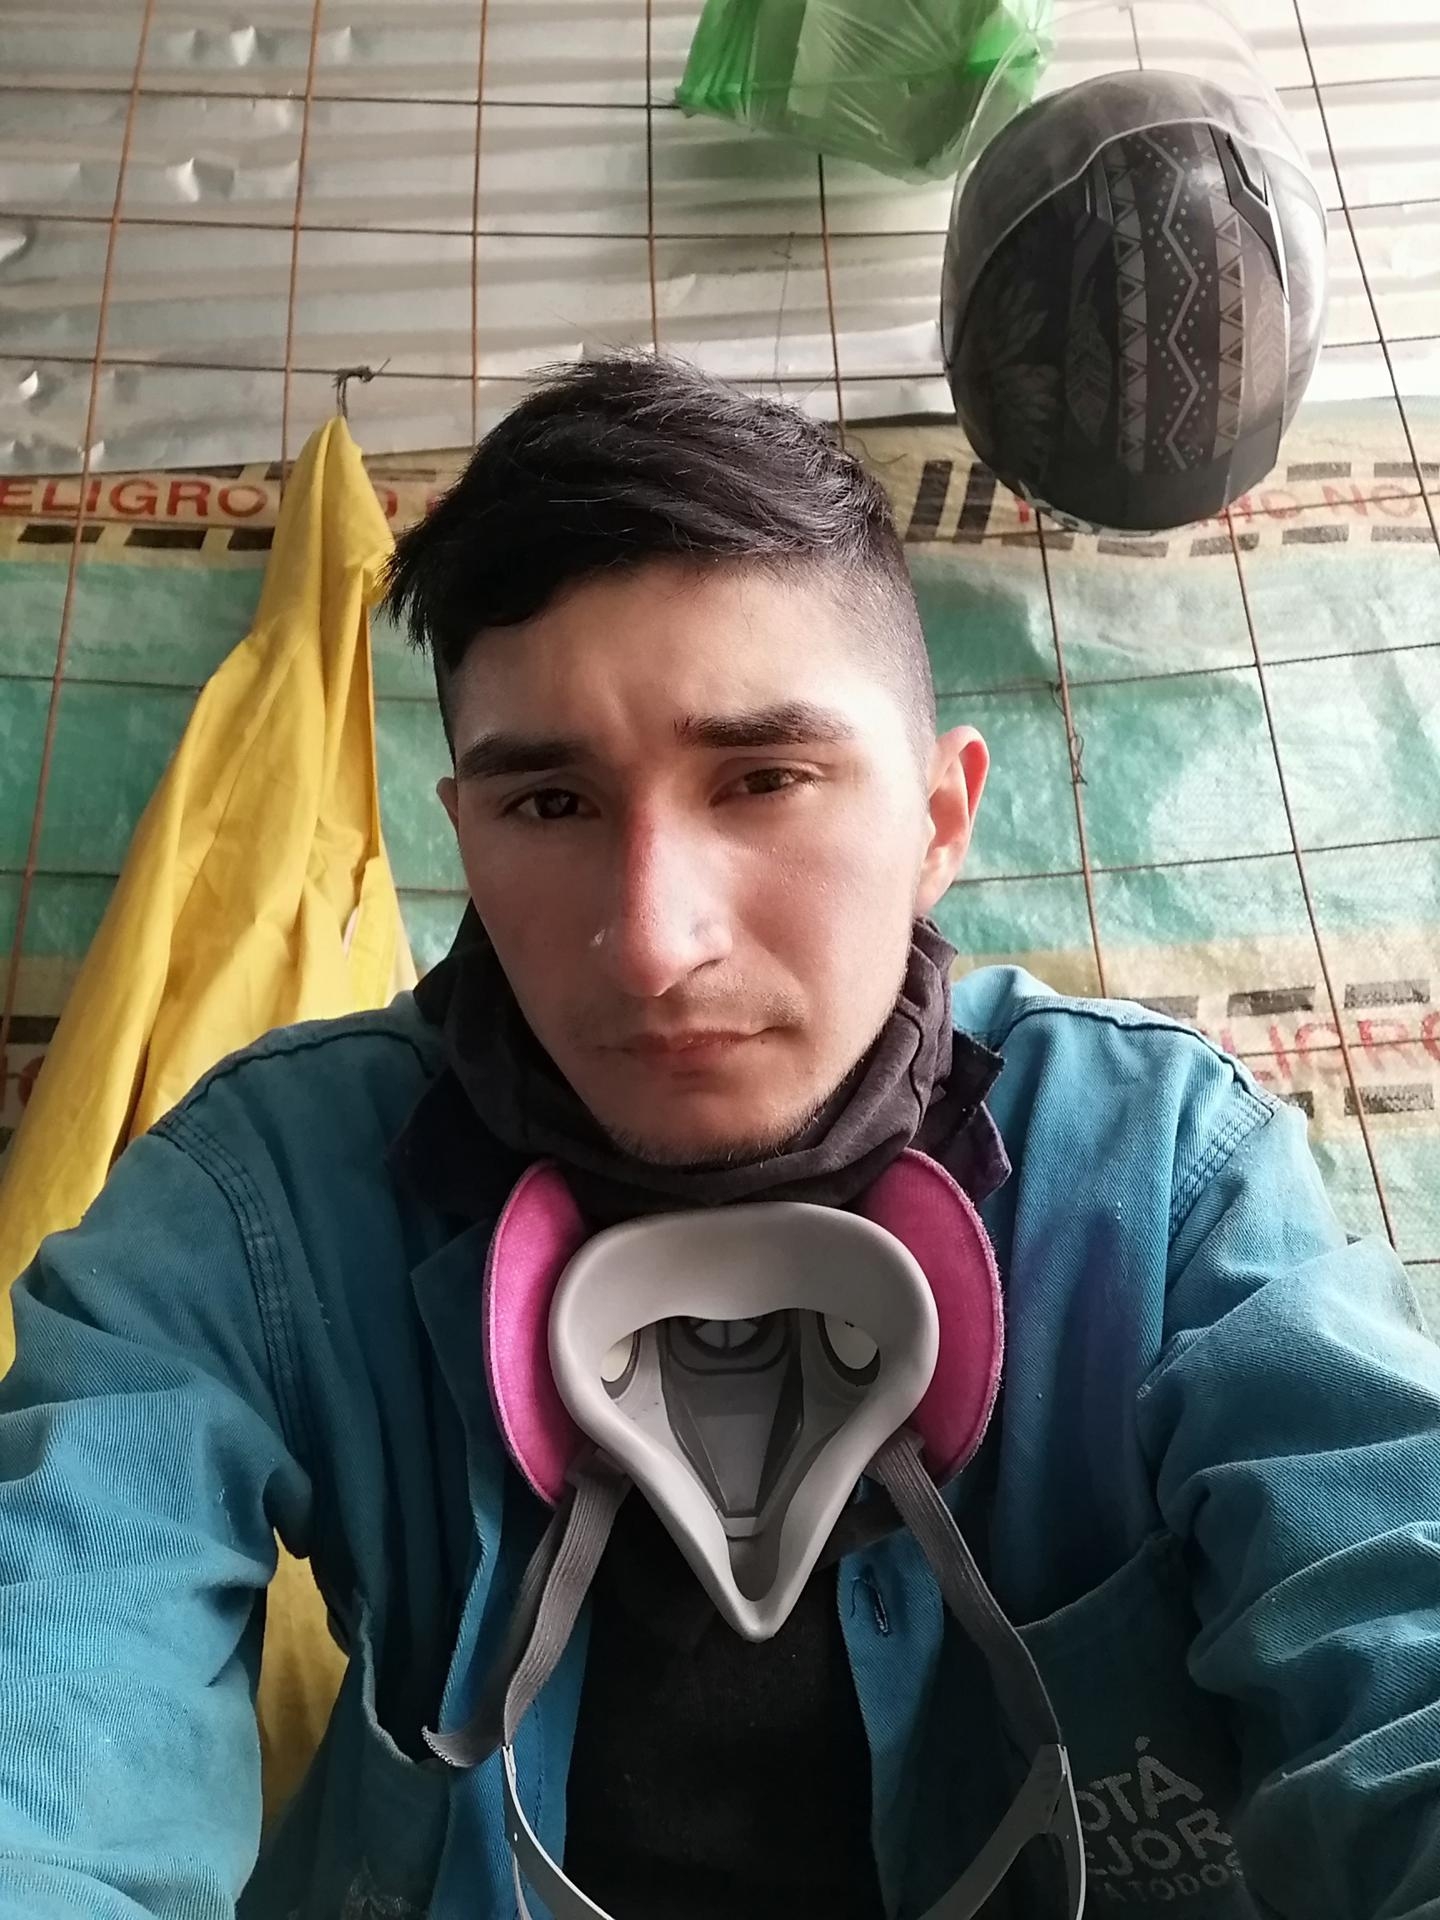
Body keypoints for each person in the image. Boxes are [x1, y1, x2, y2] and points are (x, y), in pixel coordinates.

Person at [0, 353, 1437, 1920]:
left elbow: (1397, 1628)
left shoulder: (1167, 1187)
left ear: (940, 821)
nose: (653, 941)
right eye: (551, 805)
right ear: (464, 832)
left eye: (762, 780)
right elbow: (55, 1674)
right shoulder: (260, 1209)